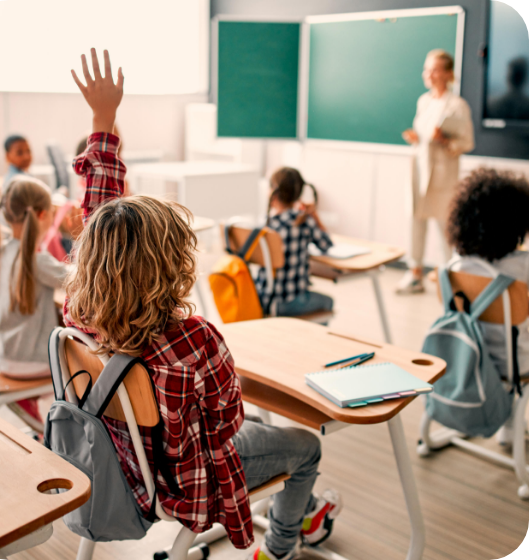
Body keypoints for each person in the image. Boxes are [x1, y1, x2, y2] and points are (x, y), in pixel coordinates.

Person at [65, 49, 341, 560]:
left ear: (91, 259)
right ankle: (280, 548)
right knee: (305, 446)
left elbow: (101, 213)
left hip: (119, 465)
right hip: (185, 483)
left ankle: (295, 523)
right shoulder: (194, 339)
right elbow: (228, 424)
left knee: (263, 431)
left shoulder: (80, 314)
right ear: (173, 264)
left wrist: (103, 122)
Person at [446, 167, 529, 444]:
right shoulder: (522, 267)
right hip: (514, 362)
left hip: (465, 351)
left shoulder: (457, 262)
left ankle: (507, 424)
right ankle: (511, 428)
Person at [0, 176, 71, 424]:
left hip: (2, 358)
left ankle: (35, 404)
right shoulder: (37, 260)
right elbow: (78, 281)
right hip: (32, 364)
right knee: (83, 359)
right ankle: (49, 414)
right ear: (43, 215)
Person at [398, 49, 475, 294]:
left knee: (445, 227)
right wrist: (416, 138)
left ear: (448, 74)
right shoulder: (424, 101)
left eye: (434, 69)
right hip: (420, 170)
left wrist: (443, 140)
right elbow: (423, 136)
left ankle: (451, 278)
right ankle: (415, 273)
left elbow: (467, 143)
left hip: (442, 175)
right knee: (416, 221)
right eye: (426, 69)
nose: (428, 74)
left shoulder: (457, 105)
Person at [255, 167, 334, 319]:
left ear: (273, 193)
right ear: (299, 194)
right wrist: (314, 215)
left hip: (264, 299)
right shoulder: (303, 221)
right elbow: (327, 244)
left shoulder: (265, 225)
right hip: (291, 303)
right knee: (328, 302)